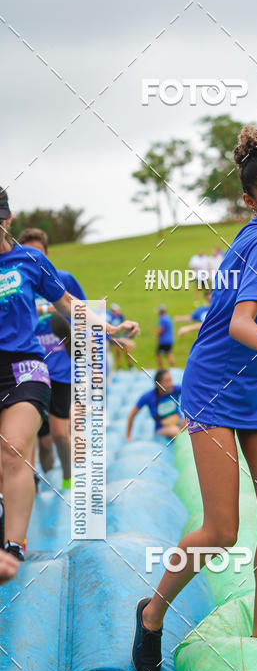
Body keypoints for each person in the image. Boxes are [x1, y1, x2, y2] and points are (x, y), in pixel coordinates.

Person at [132, 125, 257, 671]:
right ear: (250, 202)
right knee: (222, 529)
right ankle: (153, 613)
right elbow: (239, 323)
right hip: (218, 387)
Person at [0, 186, 138, 566]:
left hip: (24, 367)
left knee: (14, 449)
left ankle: (13, 546)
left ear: (7, 219)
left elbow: (70, 305)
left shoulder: (29, 261)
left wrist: (108, 329)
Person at [17, 228, 86, 489]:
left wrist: (111, 336)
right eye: (28, 252)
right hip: (31, 369)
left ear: (47, 254)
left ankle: (69, 482)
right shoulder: (17, 281)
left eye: (38, 253)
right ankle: (44, 486)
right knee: (41, 441)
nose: (33, 258)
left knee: (59, 432)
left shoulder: (63, 278)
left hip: (61, 367)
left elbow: (82, 311)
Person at [126, 370, 185, 440]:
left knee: (190, 422)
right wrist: (128, 436)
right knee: (174, 430)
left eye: (170, 380)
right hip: (162, 429)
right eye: (166, 381)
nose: (170, 384)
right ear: (158, 384)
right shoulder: (149, 397)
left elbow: (191, 390)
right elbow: (132, 414)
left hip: (179, 422)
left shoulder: (174, 389)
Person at [106, 303, 135, 370]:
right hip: (115, 335)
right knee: (117, 351)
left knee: (126, 350)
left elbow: (124, 324)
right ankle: (119, 367)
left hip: (121, 334)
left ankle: (130, 365)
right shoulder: (110, 317)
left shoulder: (120, 316)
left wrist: (126, 336)